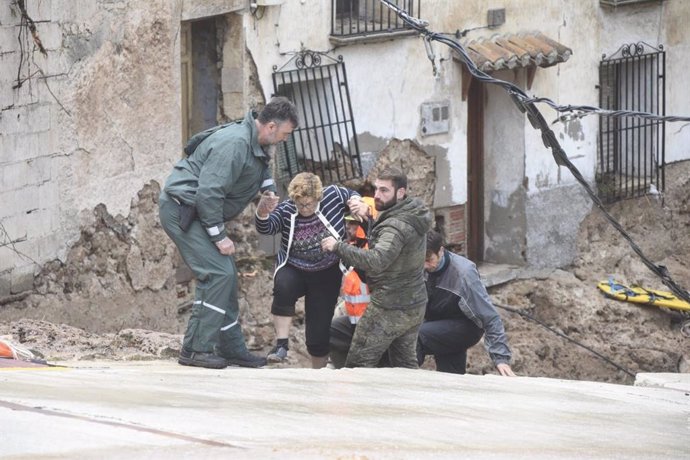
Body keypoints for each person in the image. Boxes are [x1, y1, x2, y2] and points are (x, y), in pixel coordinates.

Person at [159, 96, 298, 369]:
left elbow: (261, 166)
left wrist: (268, 191)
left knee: (228, 274)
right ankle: (195, 349)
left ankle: (232, 348)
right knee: (217, 273)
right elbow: (209, 193)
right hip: (183, 210)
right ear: (271, 126)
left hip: (197, 210)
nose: (284, 139)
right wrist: (219, 237)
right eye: (285, 134)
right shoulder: (234, 143)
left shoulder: (253, 139)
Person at [321, 166, 432, 368]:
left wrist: (337, 247)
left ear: (401, 192)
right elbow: (385, 240)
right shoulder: (412, 212)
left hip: (389, 305)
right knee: (405, 366)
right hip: (414, 303)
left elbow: (377, 260)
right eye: (376, 189)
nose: (377, 195)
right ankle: (411, 399)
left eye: (384, 191)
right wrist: (368, 215)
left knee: (357, 365)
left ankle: (362, 400)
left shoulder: (395, 227)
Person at [255, 172, 363, 368]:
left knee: (318, 333)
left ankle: (318, 373)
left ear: (318, 198)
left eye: (309, 204)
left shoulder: (333, 195)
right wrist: (262, 213)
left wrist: (357, 201)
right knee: (283, 286)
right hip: (295, 266)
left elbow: (352, 195)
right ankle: (281, 345)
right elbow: (267, 228)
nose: (305, 208)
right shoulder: (287, 209)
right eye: (300, 204)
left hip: (327, 271)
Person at [419, 229, 516, 376]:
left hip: (466, 327)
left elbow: (489, 317)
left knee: (416, 336)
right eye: (421, 260)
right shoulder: (420, 268)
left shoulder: (463, 274)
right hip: (438, 322)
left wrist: (500, 358)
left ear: (441, 251)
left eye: (429, 259)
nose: (425, 265)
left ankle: (403, 385)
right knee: (451, 377)